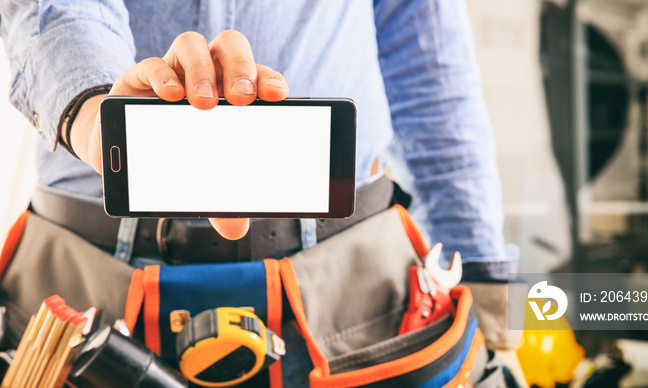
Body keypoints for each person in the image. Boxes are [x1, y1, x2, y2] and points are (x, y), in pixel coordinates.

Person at [1, 0, 521, 385]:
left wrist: (486, 289)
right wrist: (93, 110)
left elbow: (432, 74)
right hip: (90, 289)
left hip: (356, 298)